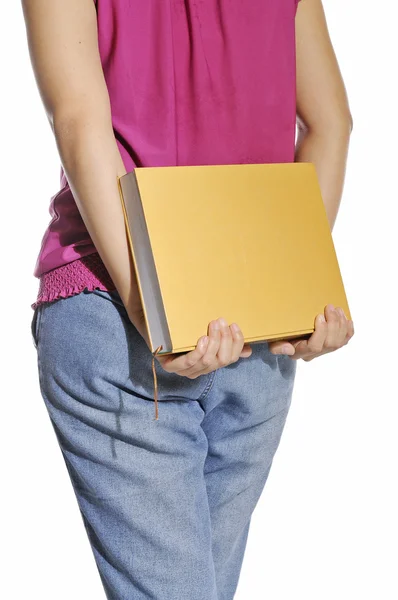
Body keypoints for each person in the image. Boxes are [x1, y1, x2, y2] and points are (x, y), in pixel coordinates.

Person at [23, 0, 354, 598]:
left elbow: (78, 119)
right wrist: (290, 284)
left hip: (117, 305)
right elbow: (332, 123)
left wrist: (154, 308)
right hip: (235, 325)